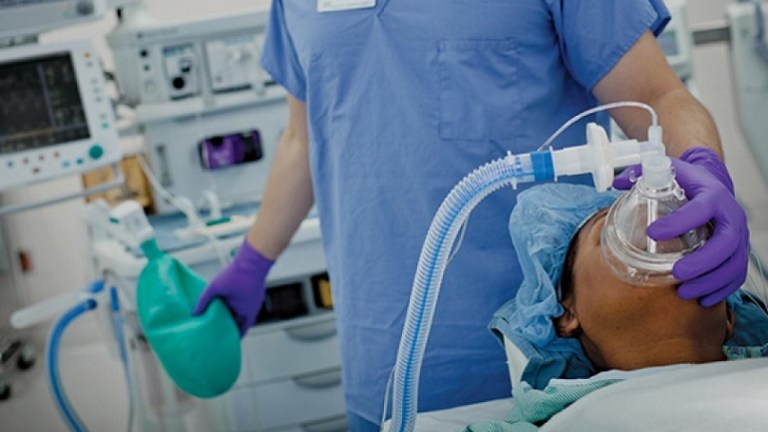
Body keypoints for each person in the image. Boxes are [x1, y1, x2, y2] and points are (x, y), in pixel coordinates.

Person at [193, 2, 751, 429]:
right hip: (381, 366)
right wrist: (251, 263)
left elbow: (659, 96)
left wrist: (703, 169)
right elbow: (303, 137)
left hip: (542, 376)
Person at [466, 183, 767, 432]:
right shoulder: (558, 418)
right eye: (611, 224)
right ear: (567, 314)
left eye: (689, 230)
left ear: (729, 317)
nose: (655, 229)